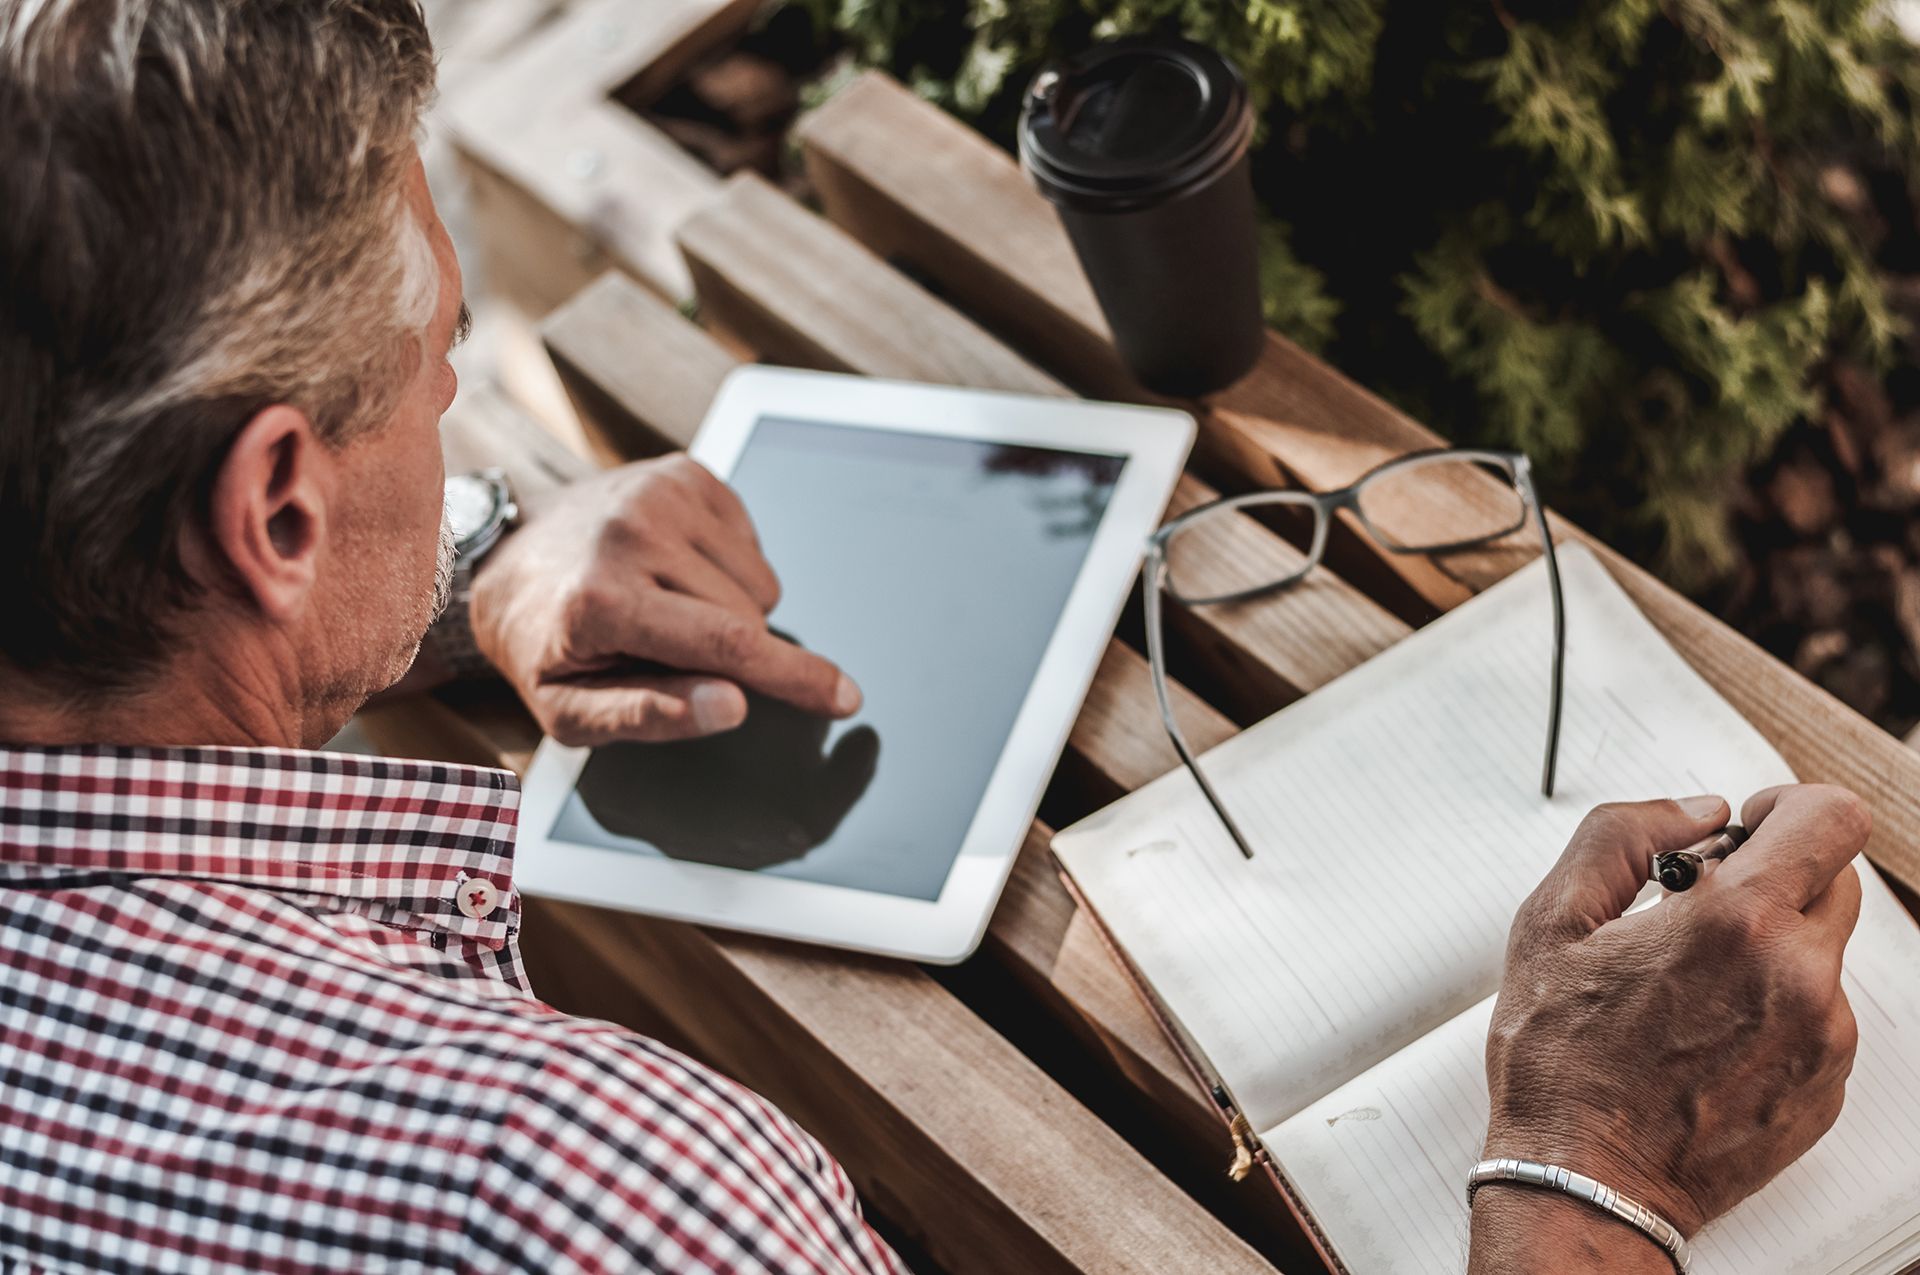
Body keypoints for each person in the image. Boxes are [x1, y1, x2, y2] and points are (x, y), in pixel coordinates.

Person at [0, 2, 1862, 1272]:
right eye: (433, 374)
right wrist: (1588, 1172)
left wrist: (471, 551)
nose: (461, 383)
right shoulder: (603, 1198)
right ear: (272, 512)